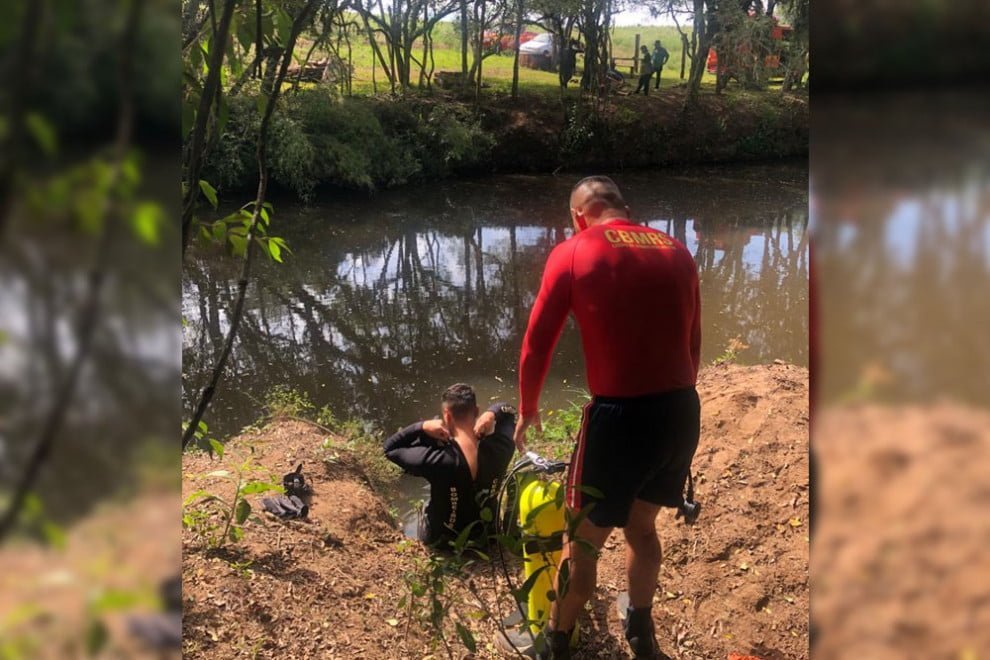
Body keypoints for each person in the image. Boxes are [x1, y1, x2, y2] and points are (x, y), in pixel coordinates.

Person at [514, 176, 701, 659]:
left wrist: (528, 408)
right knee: (642, 529)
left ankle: (555, 643)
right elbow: (692, 342)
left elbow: (538, 343)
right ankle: (642, 632)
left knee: (582, 544)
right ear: (624, 208)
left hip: (619, 421)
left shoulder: (575, 251)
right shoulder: (677, 250)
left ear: (579, 216)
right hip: (680, 412)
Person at [383, 383, 516, 548]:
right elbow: (510, 412)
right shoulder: (501, 447)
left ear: (446, 415)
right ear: (476, 411)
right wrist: (492, 412)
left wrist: (421, 427)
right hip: (489, 537)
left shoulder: (436, 458)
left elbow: (390, 448)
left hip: (443, 542)